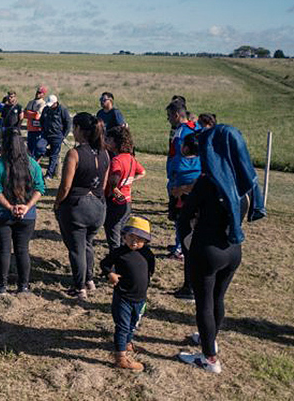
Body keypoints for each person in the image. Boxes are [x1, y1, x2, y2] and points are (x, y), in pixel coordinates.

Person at [177, 125, 266, 374]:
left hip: (207, 250)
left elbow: (183, 218)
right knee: (218, 298)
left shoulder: (208, 183)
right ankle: (209, 337)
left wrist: (187, 243)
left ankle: (209, 358)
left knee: (203, 303)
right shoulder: (244, 181)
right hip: (233, 250)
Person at [54, 112, 109, 300]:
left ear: (78, 129)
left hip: (78, 206)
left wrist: (58, 203)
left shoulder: (74, 154)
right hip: (99, 207)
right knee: (88, 244)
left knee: (76, 248)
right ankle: (89, 280)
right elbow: (103, 185)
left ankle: (79, 287)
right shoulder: (105, 153)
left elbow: (66, 186)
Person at [0, 128, 45, 295]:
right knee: (22, 250)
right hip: (27, 215)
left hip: (0, 213)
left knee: (4, 250)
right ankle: (23, 286)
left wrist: (10, 207)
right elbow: (40, 188)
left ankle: (1, 286)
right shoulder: (33, 165)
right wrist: (27, 206)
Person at [100, 216, 156, 372]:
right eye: (131, 236)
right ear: (124, 236)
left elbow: (150, 270)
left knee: (133, 324)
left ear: (146, 241)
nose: (134, 241)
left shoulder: (148, 254)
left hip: (140, 298)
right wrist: (110, 274)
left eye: (140, 239)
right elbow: (104, 264)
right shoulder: (119, 252)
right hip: (123, 297)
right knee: (123, 326)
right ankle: (121, 358)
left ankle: (127, 343)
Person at [166, 99, 201, 300]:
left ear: (177, 115)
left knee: (182, 223)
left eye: (170, 116)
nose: (169, 120)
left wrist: (173, 181)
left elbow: (176, 159)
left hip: (183, 183)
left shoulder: (180, 134)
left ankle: (181, 251)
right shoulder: (196, 128)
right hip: (196, 181)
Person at [103, 126, 146, 253]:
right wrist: (128, 181)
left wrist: (113, 189)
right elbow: (143, 172)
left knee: (113, 235)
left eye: (109, 139)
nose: (106, 141)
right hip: (127, 201)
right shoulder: (131, 158)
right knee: (123, 234)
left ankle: (116, 261)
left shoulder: (116, 160)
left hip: (115, 202)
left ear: (116, 142)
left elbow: (114, 181)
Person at [40, 94, 72, 180]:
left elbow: (68, 123)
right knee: (39, 147)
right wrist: (43, 130)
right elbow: (41, 120)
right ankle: (51, 153)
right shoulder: (46, 109)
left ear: (55, 103)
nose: (50, 106)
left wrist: (63, 136)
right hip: (46, 135)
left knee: (53, 157)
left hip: (57, 136)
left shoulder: (62, 110)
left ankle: (49, 175)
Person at [25, 85, 48, 158]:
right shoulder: (30, 102)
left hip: (38, 129)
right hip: (30, 129)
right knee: (30, 148)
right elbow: (24, 114)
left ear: (43, 94)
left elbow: (37, 115)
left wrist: (29, 113)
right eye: (37, 92)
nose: (38, 94)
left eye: (40, 92)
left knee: (37, 148)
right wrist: (31, 114)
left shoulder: (43, 103)